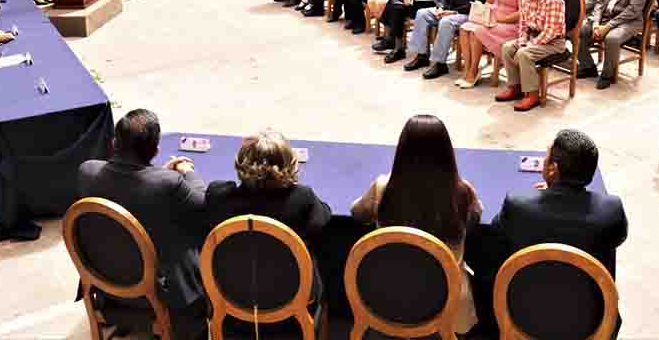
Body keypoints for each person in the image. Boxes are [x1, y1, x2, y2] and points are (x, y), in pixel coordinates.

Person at [77, 110, 208, 340]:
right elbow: (203, 204)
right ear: (156, 149)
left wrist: (157, 174)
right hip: (158, 289)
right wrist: (187, 172)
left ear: (114, 143)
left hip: (105, 278)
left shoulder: (87, 171)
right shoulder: (167, 184)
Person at [351, 115, 483, 336]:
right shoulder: (462, 191)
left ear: (402, 150)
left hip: (389, 295)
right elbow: (475, 219)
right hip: (447, 302)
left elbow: (357, 213)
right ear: (446, 152)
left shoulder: (383, 187)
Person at [206, 130, 331, 301]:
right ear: (289, 165)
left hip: (232, 296)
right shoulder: (303, 198)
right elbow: (323, 218)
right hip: (291, 300)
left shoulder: (218, 195)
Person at [492, 129, 628, 281]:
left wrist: (547, 192)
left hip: (522, 302)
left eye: (546, 156)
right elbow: (619, 238)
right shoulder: (612, 210)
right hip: (589, 303)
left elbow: (496, 229)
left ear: (553, 169)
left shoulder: (517, 205)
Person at [495, 0, 567, 112]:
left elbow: (551, 32)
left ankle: (533, 94)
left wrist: (528, 45)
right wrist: (522, 40)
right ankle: (515, 87)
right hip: (533, 36)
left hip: (553, 42)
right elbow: (523, 22)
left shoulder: (554, 0)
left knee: (524, 53)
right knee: (508, 47)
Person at [577, 0, 651, 89]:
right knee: (580, 31)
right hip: (606, 17)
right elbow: (600, 2)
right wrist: (597, 23)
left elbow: (633, 11)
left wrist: (608, 26)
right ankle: (588, 67)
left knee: (612, 38)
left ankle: (607, 75)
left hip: (629, 21)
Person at [457, 0, 527, 88]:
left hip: (510, 24)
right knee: (465, 28)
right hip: (491, 18)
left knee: (477, 31)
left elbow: (523, 12)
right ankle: (468, 70)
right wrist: (481, 11)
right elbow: (489, 0)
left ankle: (473, 71)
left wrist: (500, 19)